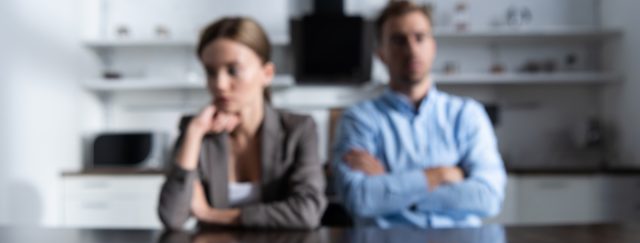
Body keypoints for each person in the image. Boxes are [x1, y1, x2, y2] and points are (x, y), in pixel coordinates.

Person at [332, 1, 506, 228]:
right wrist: (440, 175)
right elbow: (360, 198)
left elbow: (489, 197)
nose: (411, 49)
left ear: (433, 46)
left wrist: (391, 187)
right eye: (398, 40)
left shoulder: (467, 115)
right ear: (381, 54)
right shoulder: (358, 120)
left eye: (420, 37)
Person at [158, 17, 326, 230]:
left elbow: (307, 212)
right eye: (210, 72)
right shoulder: (197, 130)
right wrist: (194, 133)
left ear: (267, 74)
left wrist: (211, 215)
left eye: (233, 70)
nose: (219, 84)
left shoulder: (299, 129)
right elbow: (172, 217)